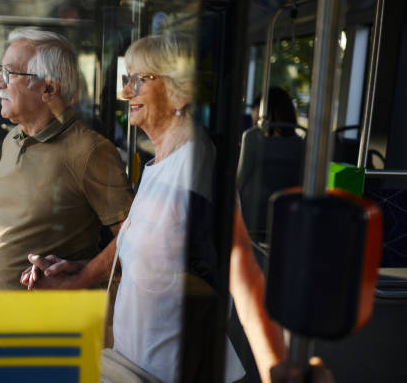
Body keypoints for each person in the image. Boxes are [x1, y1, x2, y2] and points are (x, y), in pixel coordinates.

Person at [22, 33, 286, 382]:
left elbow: (242, 276)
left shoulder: (195, 166)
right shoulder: (161, 161)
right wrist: (80, 272)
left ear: (180, 91)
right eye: (125, 78)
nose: (124, 92)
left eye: (138, 80)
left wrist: (278, 372)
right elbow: (148, 251)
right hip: (133, 363)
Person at [0, 28, 133, 290]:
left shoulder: (89, 151)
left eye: (9, 73)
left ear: (49, 88)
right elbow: (4, 230)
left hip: (48, 323)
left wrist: (81, 278)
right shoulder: (12, 140)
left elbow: (133, 237)